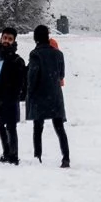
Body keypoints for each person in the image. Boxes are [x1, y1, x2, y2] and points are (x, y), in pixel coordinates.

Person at [25, 24, 69, 168]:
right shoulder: (58, 54)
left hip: (40, 94)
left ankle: (38, 156)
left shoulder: (35, 54)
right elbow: (61, 75)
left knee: (38, 127)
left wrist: (29, 92)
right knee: (59, 127)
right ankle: (66, 157)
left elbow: (32, 76)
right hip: (55, 95)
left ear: (35, 37)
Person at [0, 28, 27, 164]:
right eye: (5, 38)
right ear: (0, 38)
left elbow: (20, 83)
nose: (6, 41)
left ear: (14, 41)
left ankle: (13, 156)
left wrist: (12, 97)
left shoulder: (17, 60)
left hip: (9, 100)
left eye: (10, 39)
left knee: (11, 127)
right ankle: (7, 152)